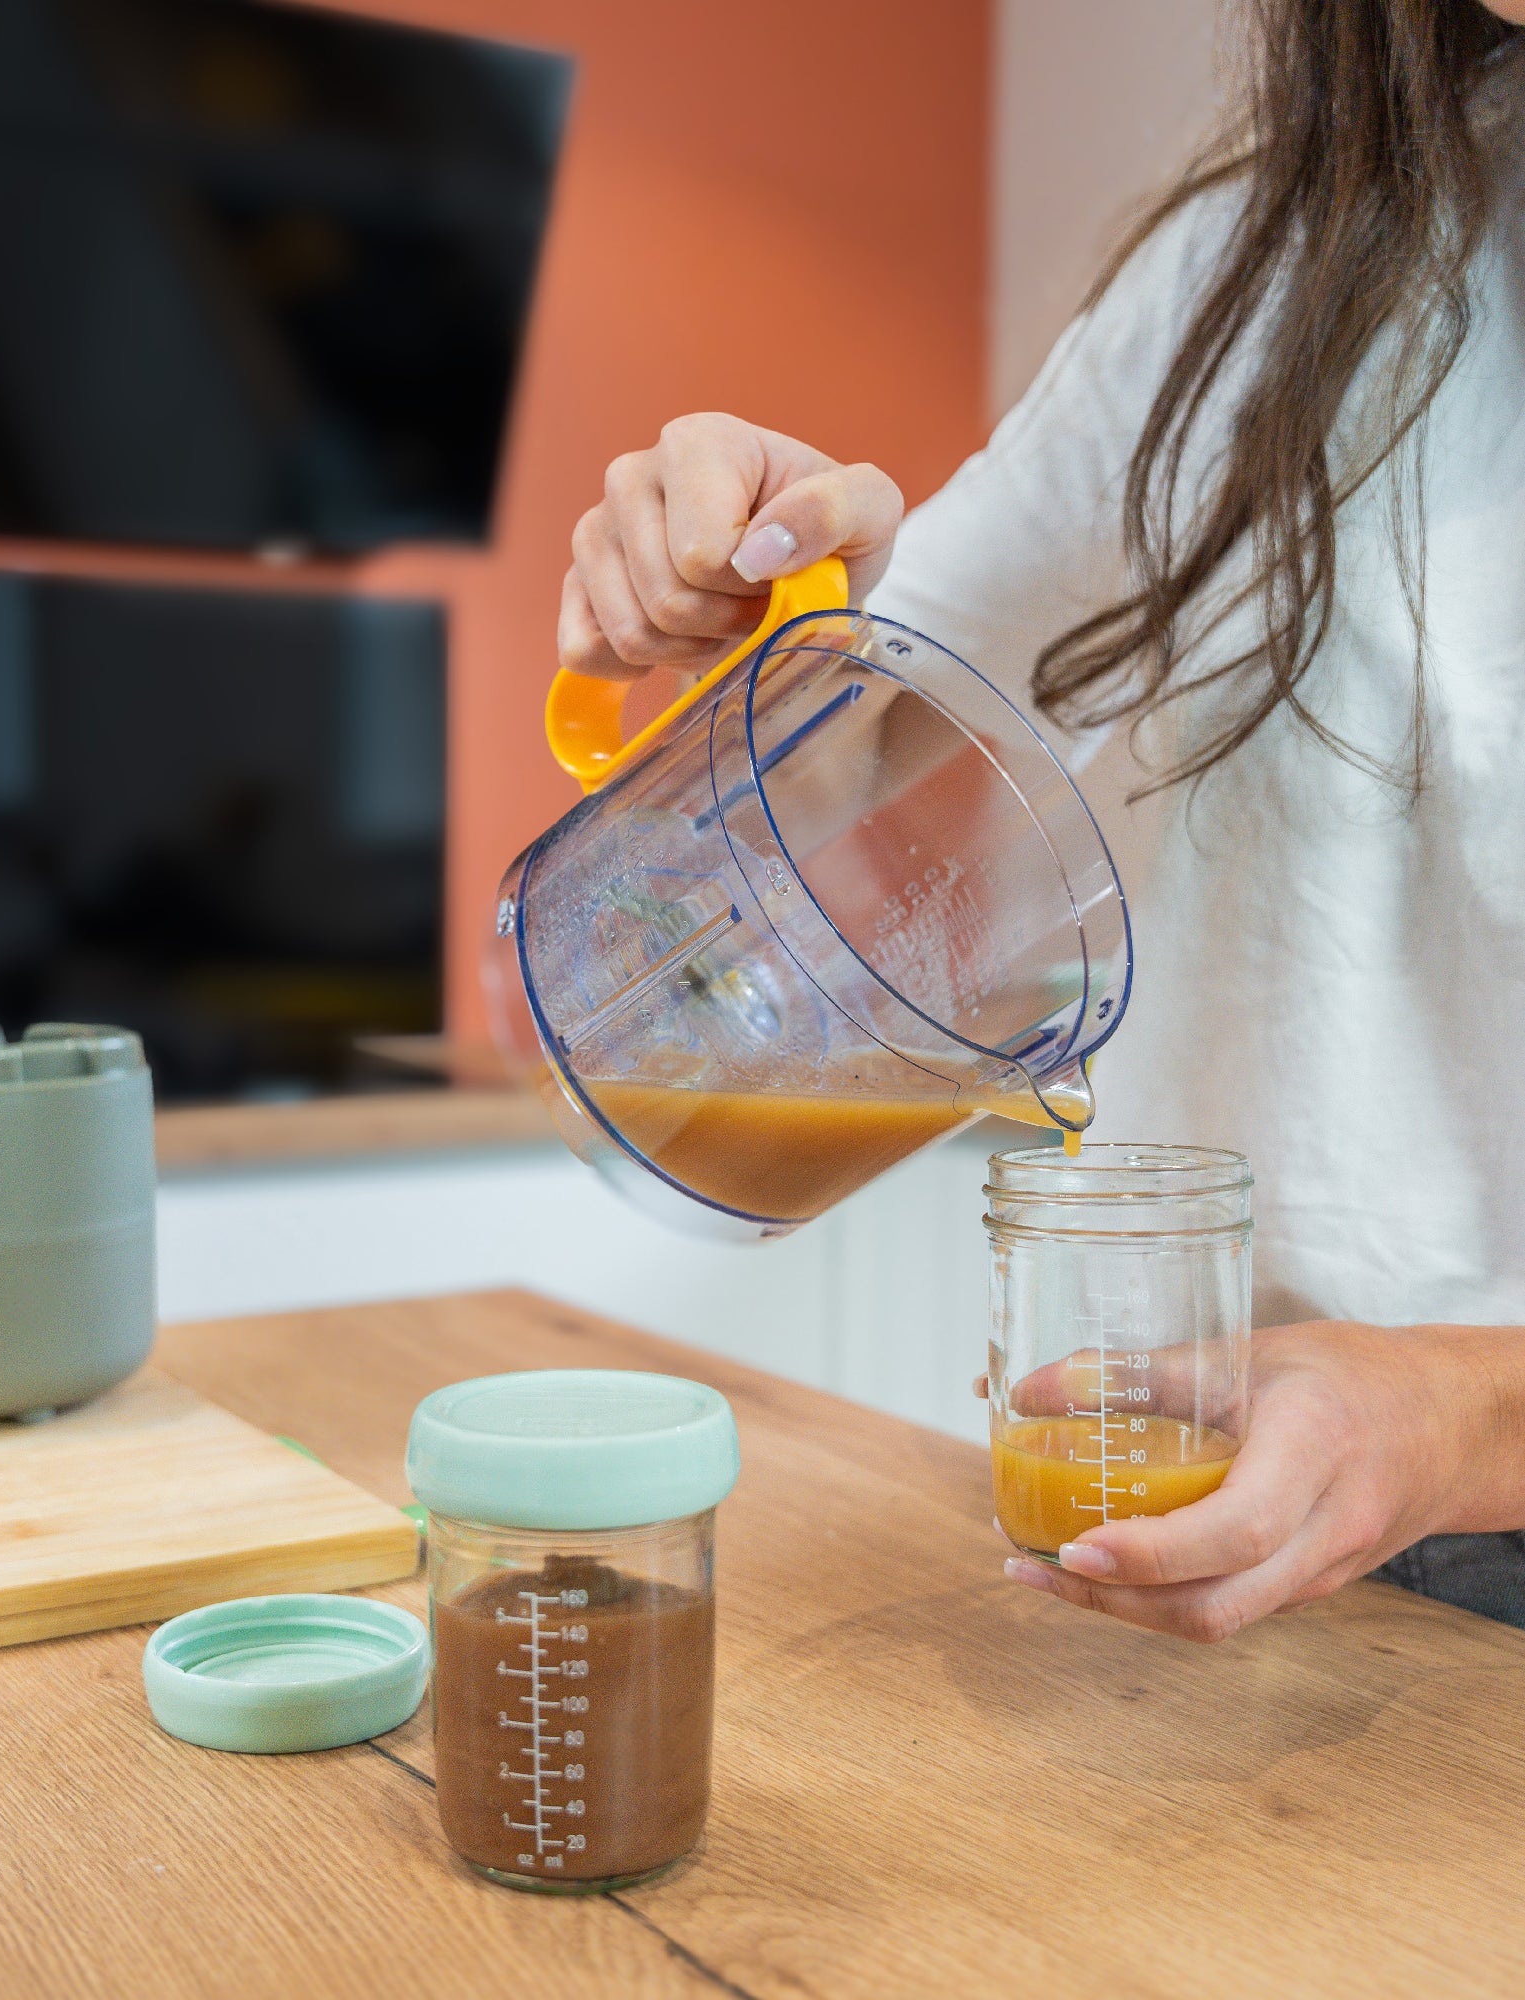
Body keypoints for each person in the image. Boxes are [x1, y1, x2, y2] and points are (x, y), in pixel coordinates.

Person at [557, 0, 1525, 1641]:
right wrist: (766, 594)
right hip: (1231, 1527)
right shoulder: (1287, 249)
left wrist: (1456, 1416)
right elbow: (885, 738)